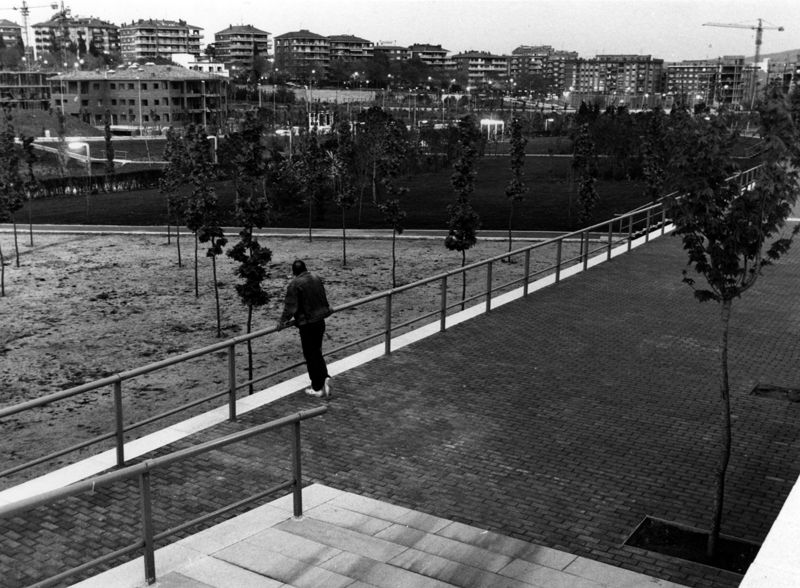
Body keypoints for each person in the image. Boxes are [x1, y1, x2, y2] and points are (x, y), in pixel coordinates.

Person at [277, 259, 333, 399]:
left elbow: (290, 307)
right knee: (317, 352)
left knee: (311, 355)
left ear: (294, 272)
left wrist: (281, 322)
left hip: (308, 324)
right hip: (320, 321)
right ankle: (324, 379)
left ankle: (318, 386)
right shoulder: (316, 278)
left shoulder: (295, 284)